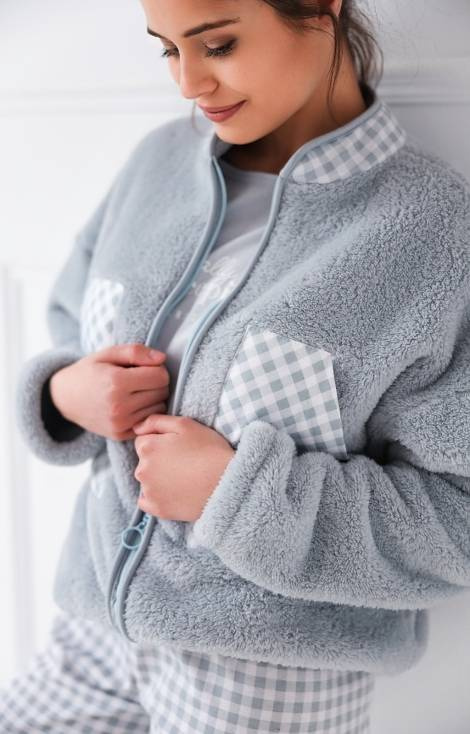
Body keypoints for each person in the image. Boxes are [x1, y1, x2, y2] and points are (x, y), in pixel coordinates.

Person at [3, 0, 470, 731]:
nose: (188, 83)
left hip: (267, 675)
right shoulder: (158, 165)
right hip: (95, 625)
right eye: (167, 50)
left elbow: (457, 518)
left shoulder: (429, 229)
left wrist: (237, 493)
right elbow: (71, 316)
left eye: (217, 45)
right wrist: (67, 392)